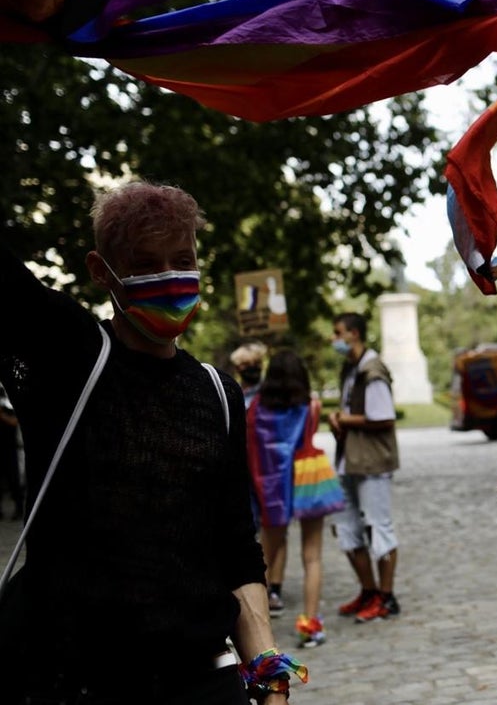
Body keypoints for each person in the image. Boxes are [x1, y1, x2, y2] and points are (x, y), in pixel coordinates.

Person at [0, 182, 298, 704]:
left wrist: (270, 673)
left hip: (200, 681)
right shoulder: (68, 357)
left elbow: (234, 546)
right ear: (101, 271)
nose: (167, 276)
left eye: (181, 258)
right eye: (143, 264)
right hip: (74, 682)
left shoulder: (217, 392)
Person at [247, 349, 345, 648]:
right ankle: (310, 624)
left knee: (259, 562)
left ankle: (255, 633)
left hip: (272, 487)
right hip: (308, 481)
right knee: (312, 556)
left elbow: (249, 450)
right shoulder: (311, 406)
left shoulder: (255, 410)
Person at [329, 311, 402, 623]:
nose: (335, 339)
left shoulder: (372, 369)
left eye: (338, 332)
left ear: (354, 334)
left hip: (371, 461)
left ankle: (386, 598)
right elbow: (354, 411)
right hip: (350, 459)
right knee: (346, 526)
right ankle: (368, 591)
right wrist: (339, 419)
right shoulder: (352, 368)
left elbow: (383, 416)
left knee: (378, 525)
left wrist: (344, 419)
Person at [0, 383, 22, 520]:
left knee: (14, 481)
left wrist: (1, 415)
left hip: (10, 451)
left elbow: (14, 422)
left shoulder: (8, 407)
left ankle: (19, 509)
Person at [231, 340, 268, 408]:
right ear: (236, 368)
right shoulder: (232, 392)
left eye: (257, 362)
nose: (252, 367)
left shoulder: (269, 389)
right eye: (246, 364)